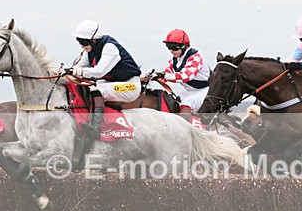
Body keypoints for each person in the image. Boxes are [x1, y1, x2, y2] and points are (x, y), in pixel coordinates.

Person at [66, 20, 142, 169]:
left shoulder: (110, 47)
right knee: (86, 86)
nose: (81, 45)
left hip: (130, 85)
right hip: (112, 83)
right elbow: (78, 68)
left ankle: (95, 127)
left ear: (94, 39)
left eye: (83, 41)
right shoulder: (90, 50)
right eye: (78, 41)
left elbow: (99, 72)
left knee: (97, 90)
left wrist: (77, 71)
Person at [154, 29, 210, 113]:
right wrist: (153, 76)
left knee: (186, 103)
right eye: (169, 47)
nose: (171, 51)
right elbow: (167, 73)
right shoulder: (175, 60)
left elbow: (186, 76)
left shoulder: (195, 56)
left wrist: (165, 75)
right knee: (170, 101)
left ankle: (187, 126)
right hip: (189, 91)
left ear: (184, 46)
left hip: (204, 91)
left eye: (174, 48)